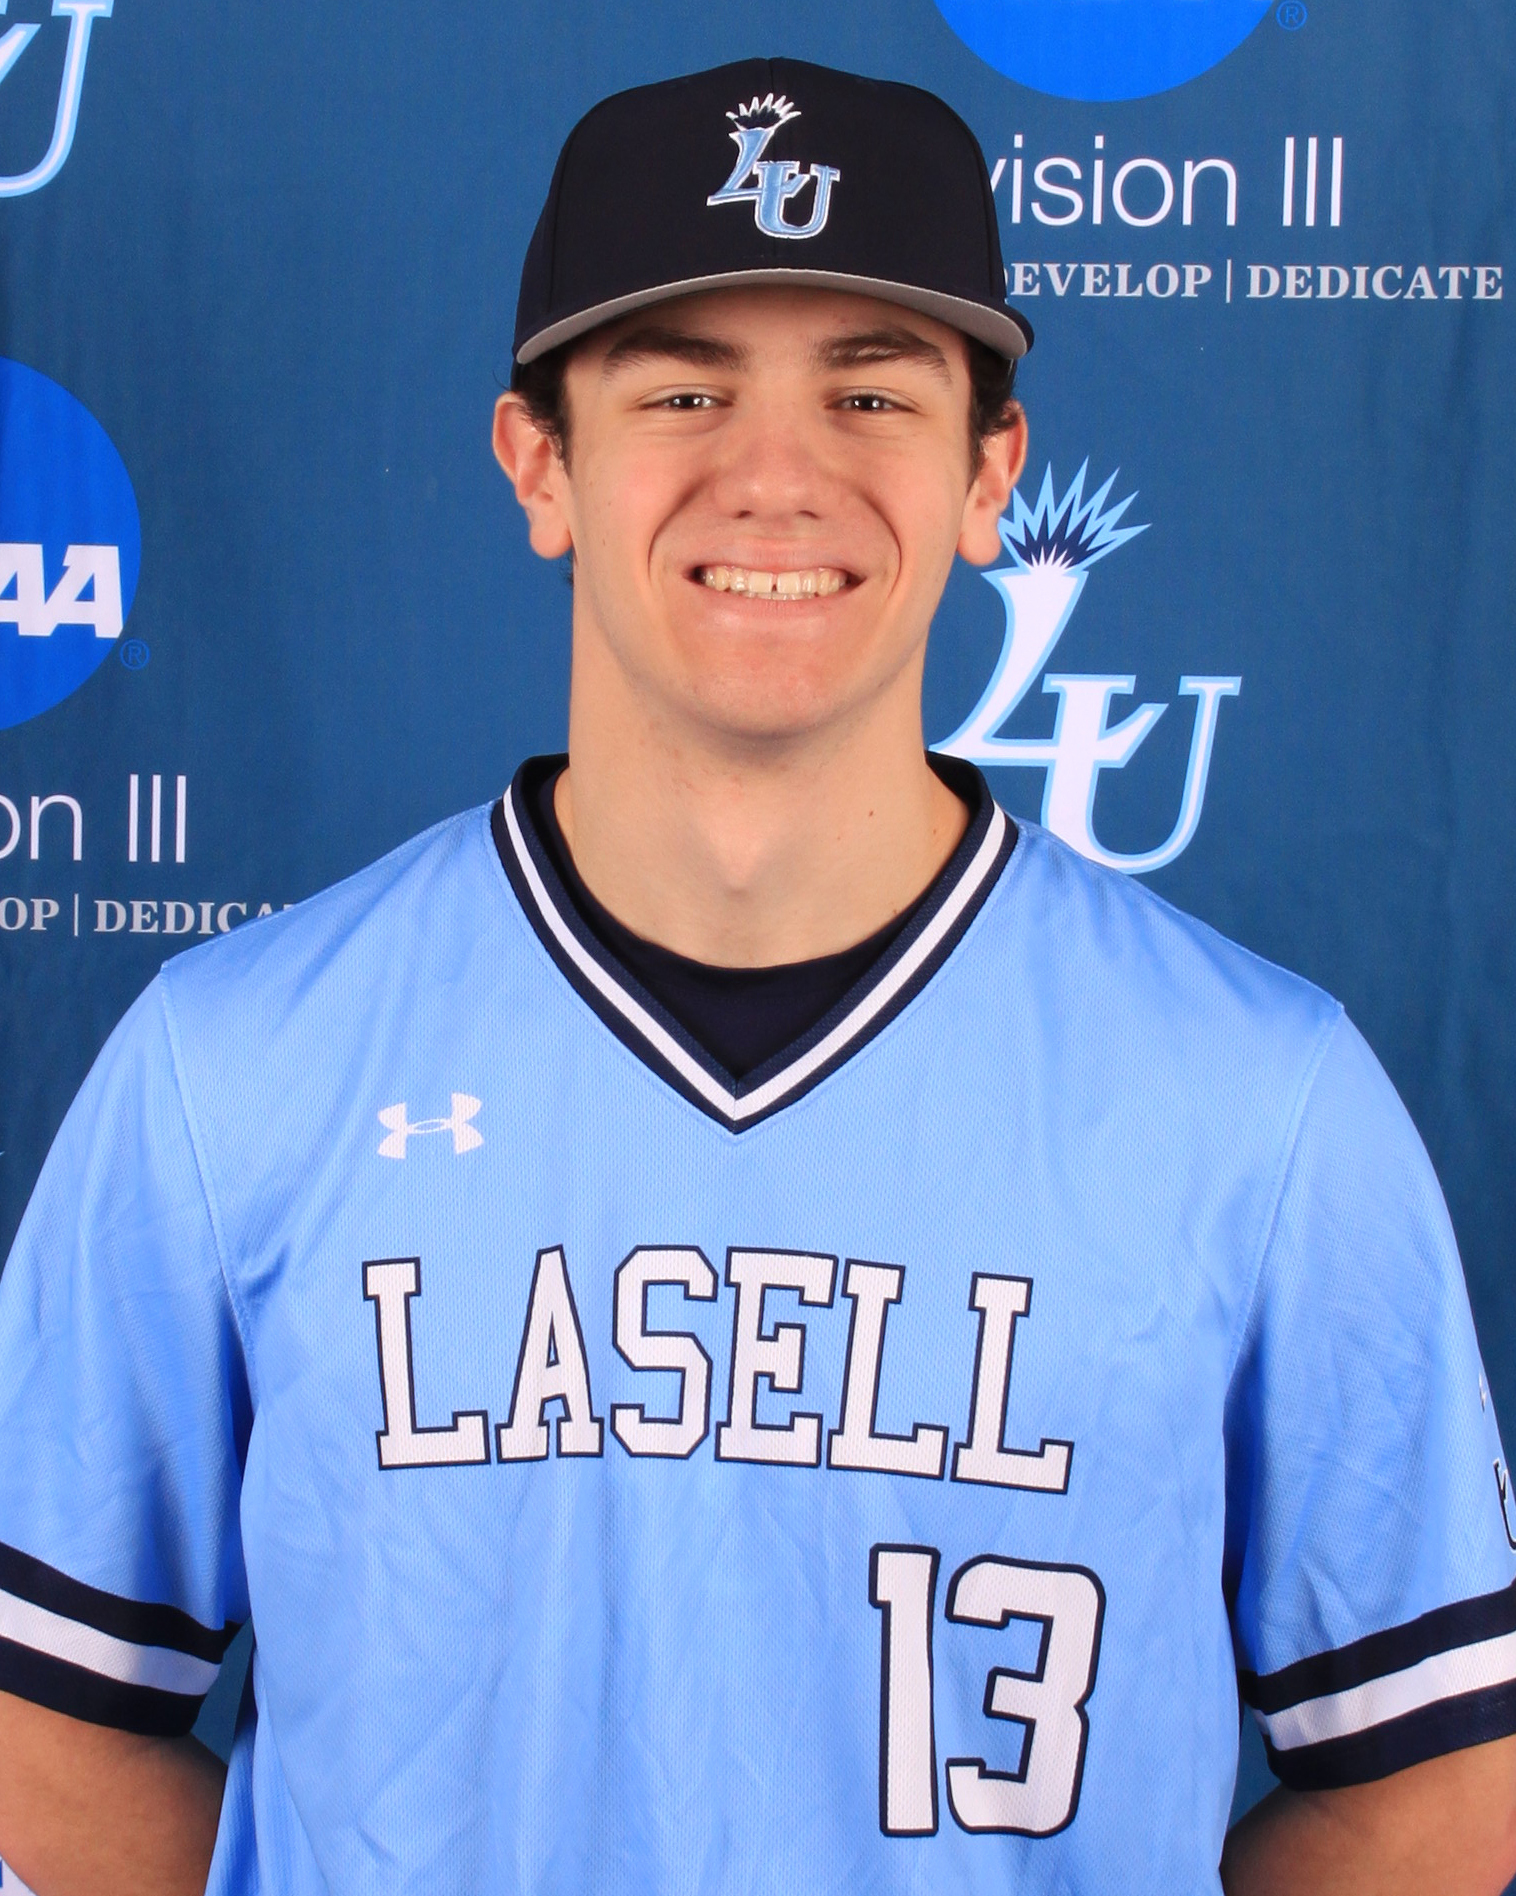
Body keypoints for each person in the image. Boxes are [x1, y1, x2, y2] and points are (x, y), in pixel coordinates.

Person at [0, 55, 1513, 1896]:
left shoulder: (1262, 1105)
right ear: (541, 463)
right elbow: (41, 1723)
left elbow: (1435, 1794)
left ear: (989, 474)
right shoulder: (234, 1068)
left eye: (871, 391)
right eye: (685, 389)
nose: (778, 474)